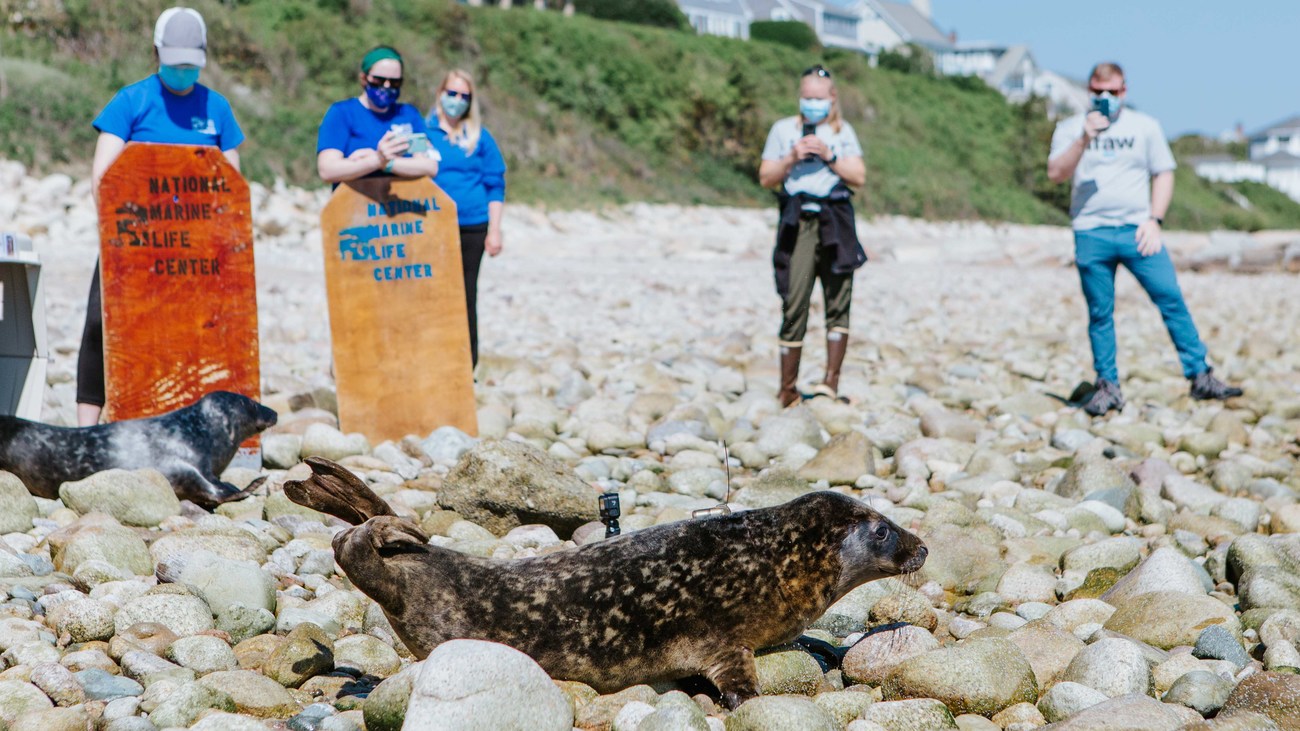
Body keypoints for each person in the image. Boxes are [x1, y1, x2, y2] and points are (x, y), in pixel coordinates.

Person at [78, 6, 245, 426]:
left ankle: (185, 420)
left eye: (192, 64)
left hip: (194, 248)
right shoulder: (130, 101)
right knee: (102, 323)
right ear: (157, 53)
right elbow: (104, 178)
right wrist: (121, 235)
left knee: (190, 329)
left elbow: (232, 181)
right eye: (176, 64)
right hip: (132, 242)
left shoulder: (217, 109)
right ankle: (87, 426)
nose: (184, 71)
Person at [1048, 62, 1242, 416]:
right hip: (1091, 230)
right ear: (1089, 91)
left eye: (1114, 91)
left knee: (1170, 298)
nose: (1106, 97)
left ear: (1125, 91)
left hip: (1139, 231)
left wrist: (1155, 219)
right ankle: (1107, 386)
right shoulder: (1070, 128)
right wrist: (1084, 138)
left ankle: (1200, 376)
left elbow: (1163, 174)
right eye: (1098, 91)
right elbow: (1056, 174)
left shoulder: (1145, 127)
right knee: (1100, 312)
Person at [758, 65, 867, 407]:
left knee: (838, 297)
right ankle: (787, 388)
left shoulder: (842, 131)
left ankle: (830, 382)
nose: (812, 103)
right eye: (806, 97)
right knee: (795, 297)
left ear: (832, 98)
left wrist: (829, 155)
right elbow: (765, 177)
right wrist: (792, 156)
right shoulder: (782, 130)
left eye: (818, 98)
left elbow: (858, 176)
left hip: (835, 217)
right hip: (798, 218)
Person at [425, 69, 507, 368]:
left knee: (465, 294)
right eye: (452, 93)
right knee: (432, 294)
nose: (457, 101)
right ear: (440, 94)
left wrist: (495, 230)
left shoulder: (479, 137)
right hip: (432, 227)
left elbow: (495, 183)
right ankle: (433, 358)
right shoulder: (423, 133)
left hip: (472, 225)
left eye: (464, 96)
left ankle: (466, 364)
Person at [316, 46, 439, 185]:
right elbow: (327, 170)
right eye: (379, 81)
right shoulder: (342, 113)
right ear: (364, 78)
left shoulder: (409, 115)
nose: (386, 86)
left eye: (394, 82)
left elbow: (430, 166)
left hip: (401, 205)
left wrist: (386, 162)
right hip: (354, 203)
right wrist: (376, 160)